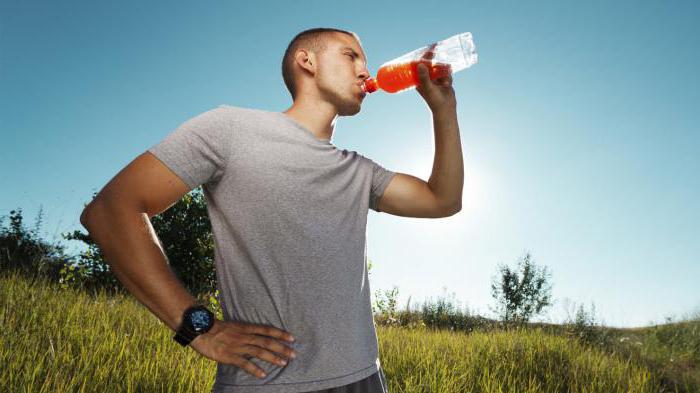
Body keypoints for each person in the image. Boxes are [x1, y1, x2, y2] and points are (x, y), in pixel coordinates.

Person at [79, 27, 463, 393]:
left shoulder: (358, 170)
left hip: (364, 378)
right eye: (351, 56)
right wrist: (199, 327)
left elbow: (442, 200)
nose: (365, 70)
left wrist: (443, 108)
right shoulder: (229, 129)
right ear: (306, 60)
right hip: (265, 383)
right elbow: (111, 211)